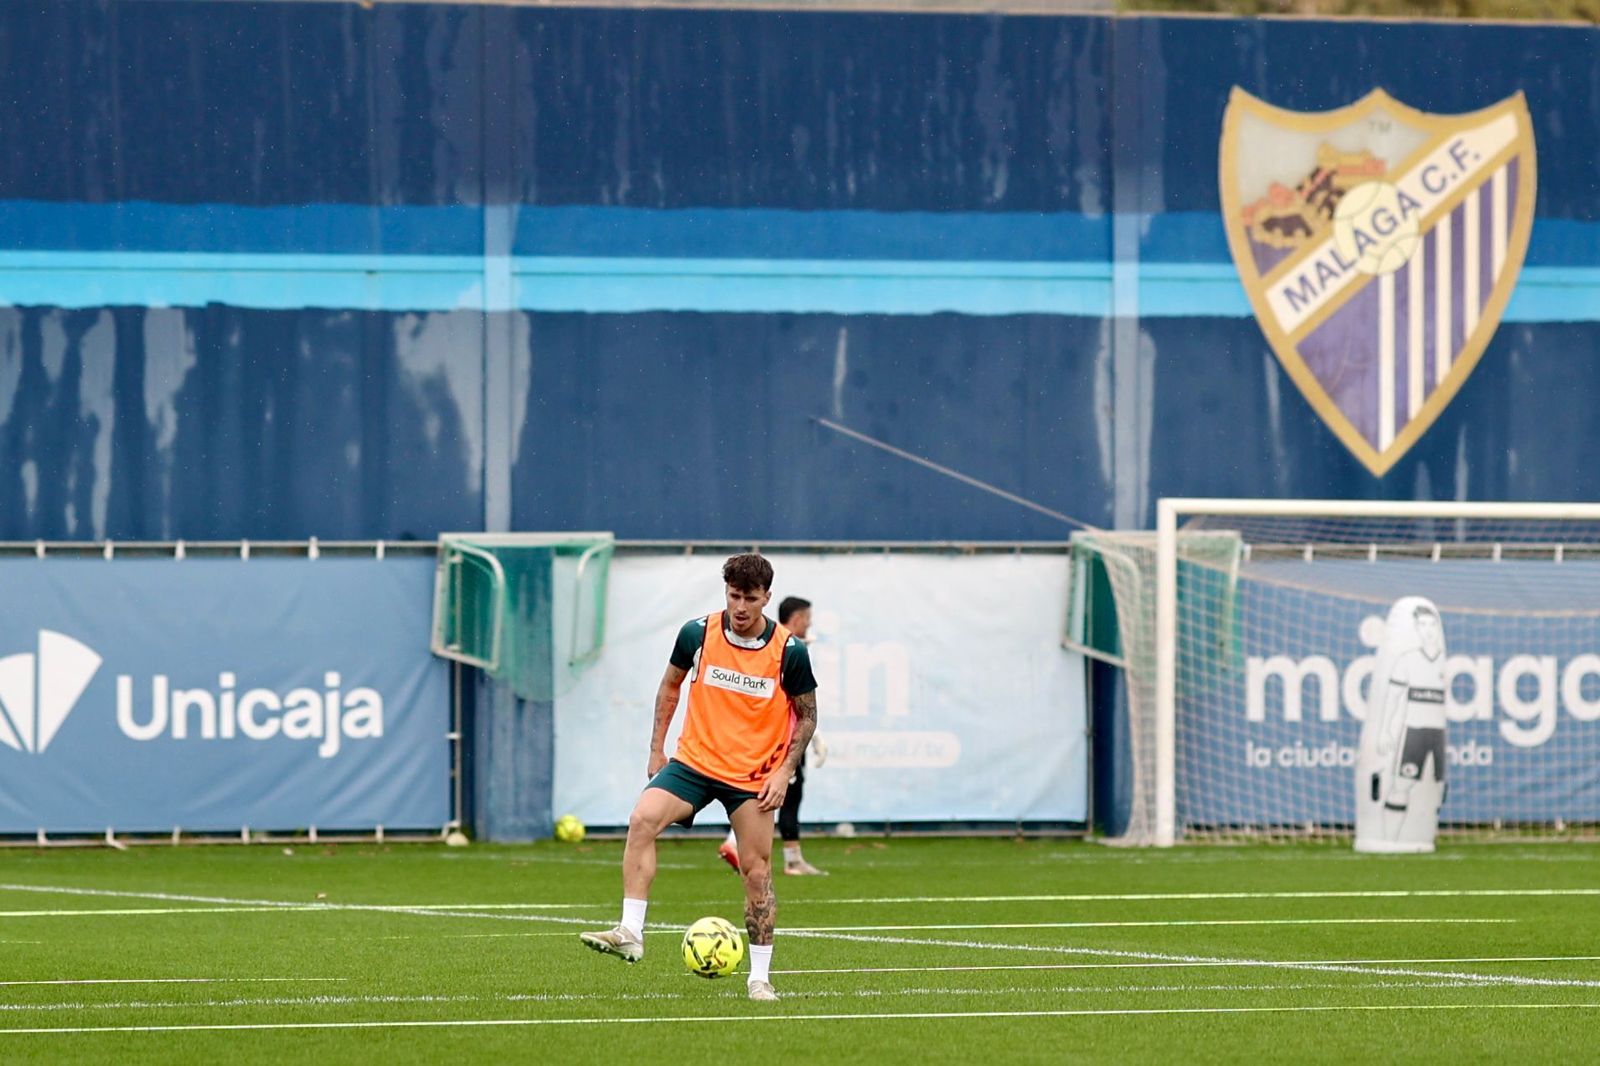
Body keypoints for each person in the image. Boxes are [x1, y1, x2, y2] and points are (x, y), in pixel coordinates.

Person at [580, 553, 818, 1002]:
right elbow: (670, 685)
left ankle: (760, 977)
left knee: (756, 871)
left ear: (767, 597)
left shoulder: (789, 651)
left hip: (752, 776)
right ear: (725, 592)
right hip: (694, 763)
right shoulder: (698, 633)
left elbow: (807, 716)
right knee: (641, 820)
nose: (741, 607)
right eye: (734, 596)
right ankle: (631, 930)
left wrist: (785, 771)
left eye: (750, 598)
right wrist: (656, 749)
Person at [719, 595, 828, 876]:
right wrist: (812, 735)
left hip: (775, 733)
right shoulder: (784, 647)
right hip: (781, 737)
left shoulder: (780, 644)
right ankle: (774, 854)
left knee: (777, 792)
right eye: (807, 617)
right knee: (781, 793)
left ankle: (768, 852)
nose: (810, 622)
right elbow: (786, 699)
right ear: (797, 619)